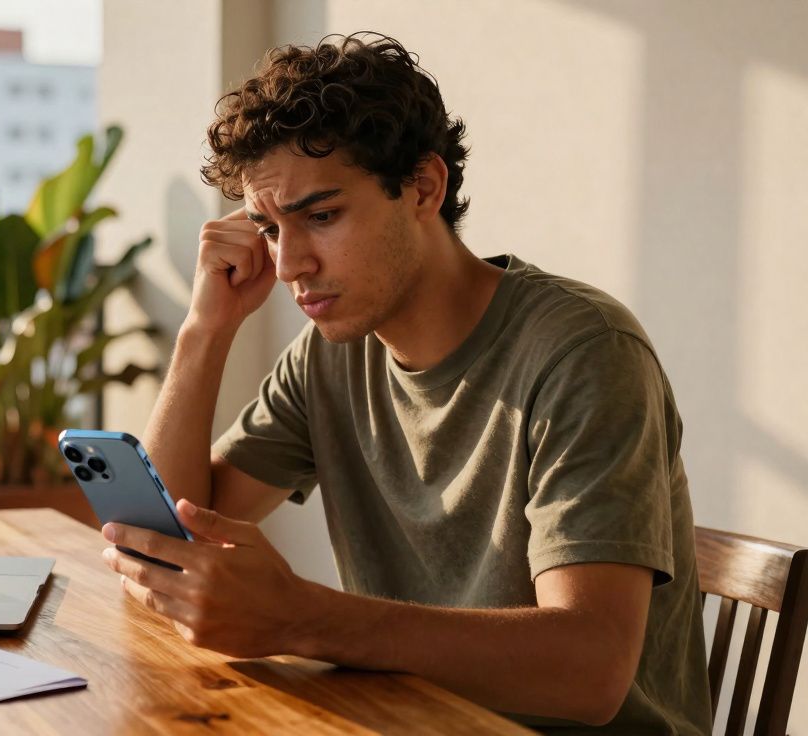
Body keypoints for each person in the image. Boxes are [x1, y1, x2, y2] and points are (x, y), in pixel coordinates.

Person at [98, 32, 709, 734]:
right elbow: (170, 542)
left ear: (424, 187)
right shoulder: (332, 357)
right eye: (268, 228)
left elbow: (591, 669)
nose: (290, 262)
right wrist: (205, 332)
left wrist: (304, 616)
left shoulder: (584, 351)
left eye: (320, 217)